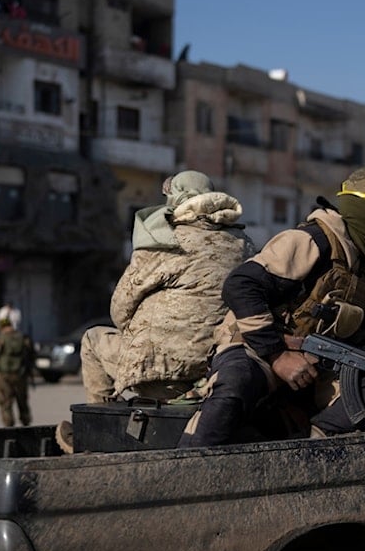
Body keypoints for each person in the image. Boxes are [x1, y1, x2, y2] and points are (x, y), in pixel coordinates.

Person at [178, 168, 365, 448]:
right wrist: (278, 356)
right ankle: (187, 467)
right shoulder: (311, 241)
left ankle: (310, 447)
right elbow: (241, 285)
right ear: (360, 211)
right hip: (259, 350)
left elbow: (358, 338)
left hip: (318, 363)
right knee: (234, 388)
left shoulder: (364, 272)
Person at [79, 170, 256, 404]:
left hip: (159, 367)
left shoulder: (166, 240)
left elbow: (120, 307)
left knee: (92, 339)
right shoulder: (245, 244)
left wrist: (135, 334)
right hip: (218, 366)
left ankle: (99, 424)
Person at [0, 317, 35, 427]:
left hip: (4, 375)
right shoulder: (23, 338)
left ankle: (9, 426)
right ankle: (26, 423)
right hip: (20, 375)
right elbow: (31, 355)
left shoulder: (0, 339)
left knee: (6, 402)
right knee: (22, 401)